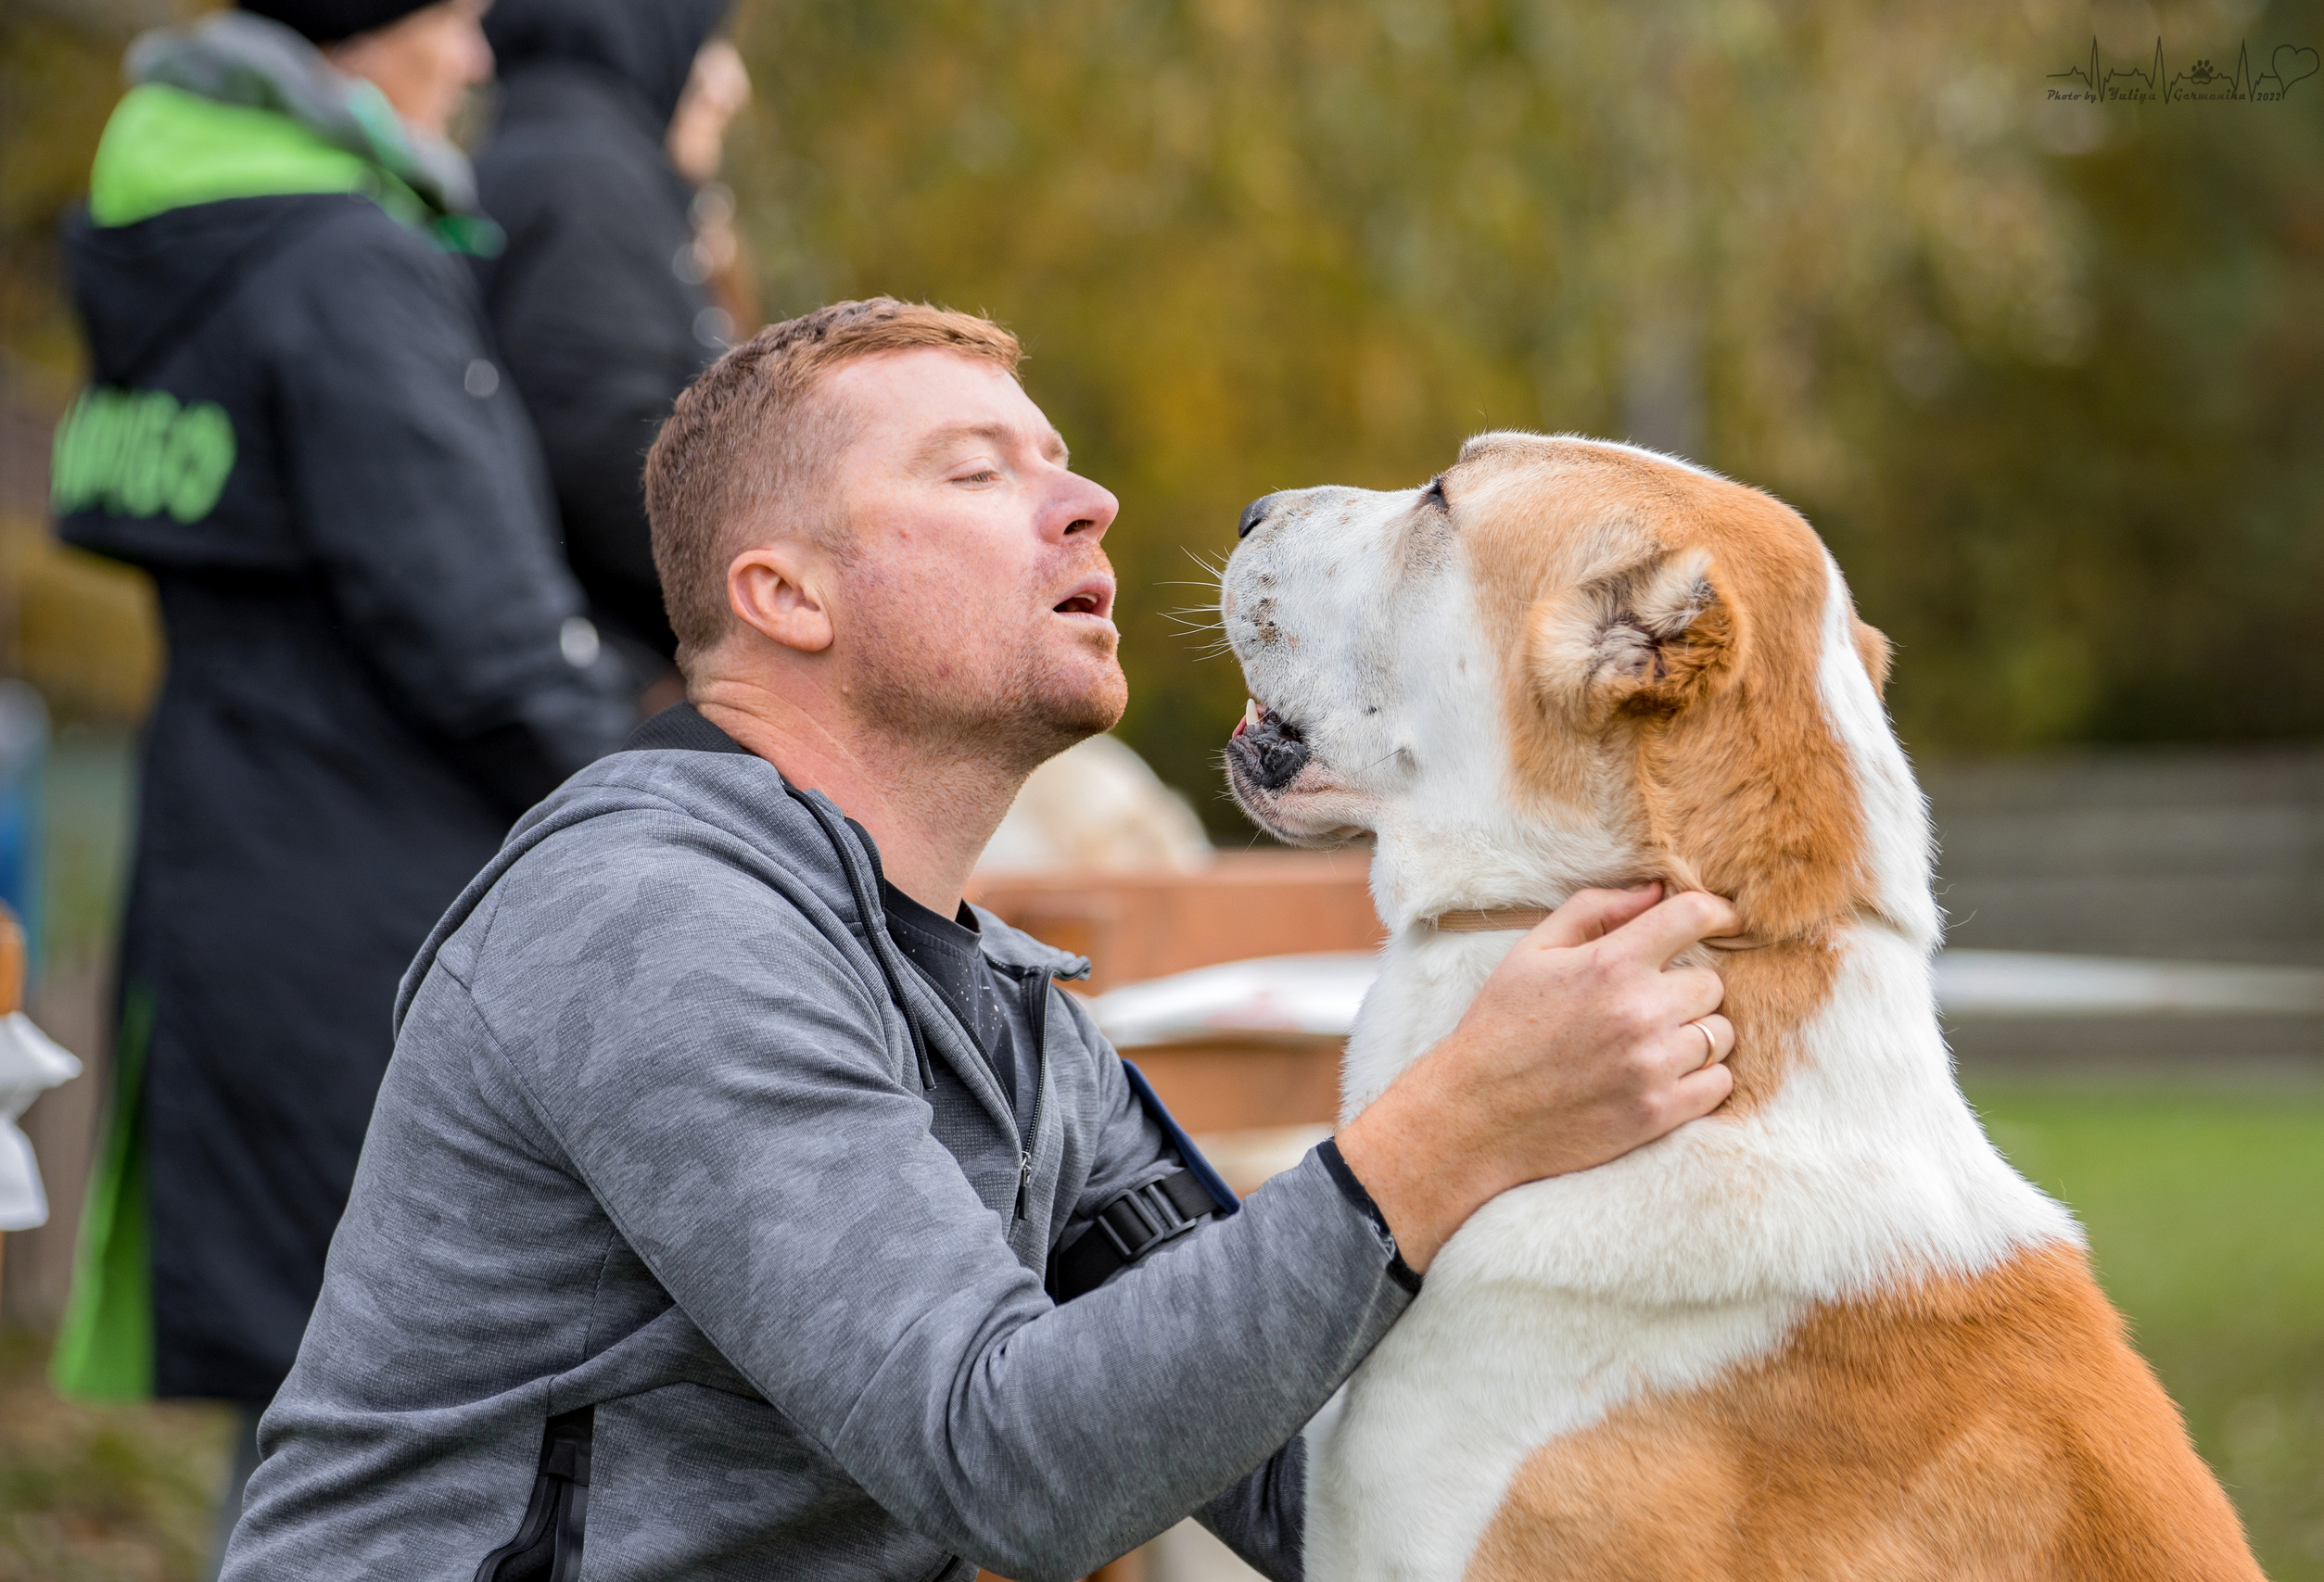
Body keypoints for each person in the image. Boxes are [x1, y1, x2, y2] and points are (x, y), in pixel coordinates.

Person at [219, 299, 1740, 1582]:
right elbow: (1006, 1455)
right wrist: (1459, 1125)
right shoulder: (655, 922)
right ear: (785, 593)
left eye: (1064, 467)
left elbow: (1296, 1473)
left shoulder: (1005, 1014)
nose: (1089, 507)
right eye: (974, 469)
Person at [44, 0, 633, 1556]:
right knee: (399, 1390)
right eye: (448, 15)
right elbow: (483, 628)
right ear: (357, 34)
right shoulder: (345, 267)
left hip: (223, 870)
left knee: (310, 1395)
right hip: (373, 905)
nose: (479, 55)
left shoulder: (185, 245)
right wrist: (682, 807)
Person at [473, 0, 754, 706]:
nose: (731, 85)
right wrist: (796, 584)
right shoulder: (585, 183)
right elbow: (609, 450)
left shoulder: (580, 168)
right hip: (614, 696)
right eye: (708, 47)